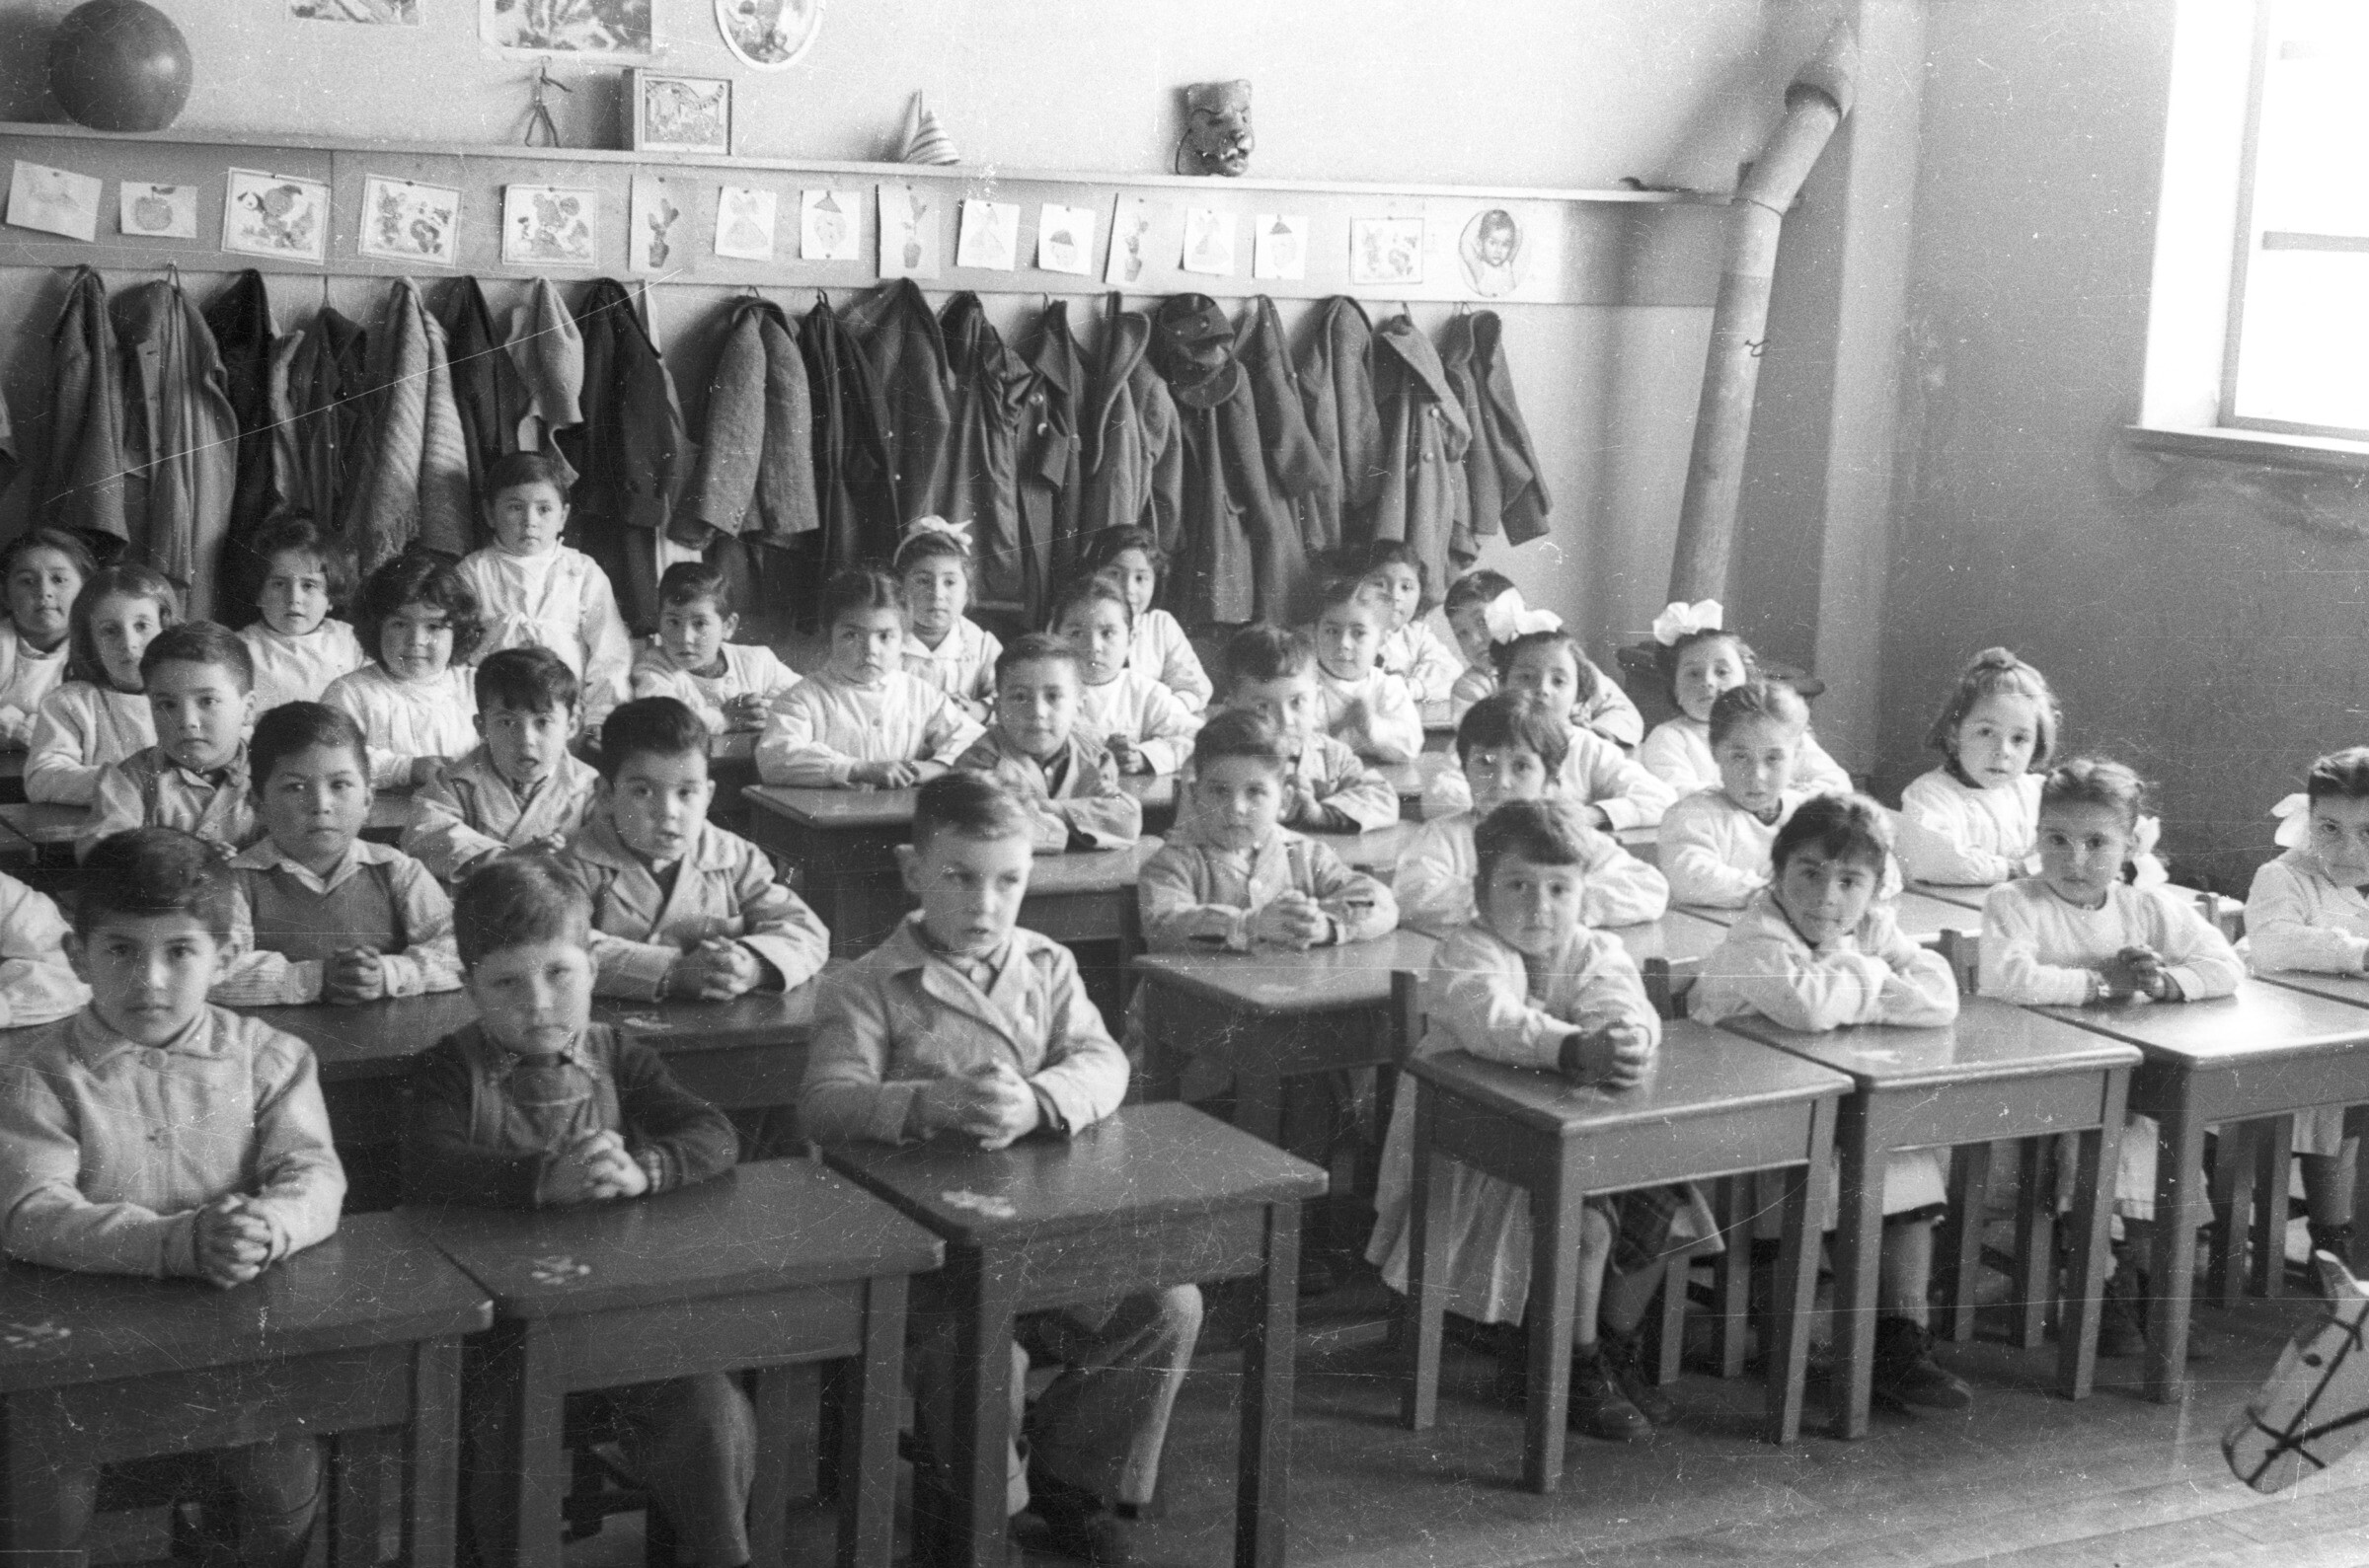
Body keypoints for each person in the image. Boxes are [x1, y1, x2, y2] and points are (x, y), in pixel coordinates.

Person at [800, 773, 1199, 1564]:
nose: (986, 904)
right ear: (915, 872)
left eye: (1008, 881)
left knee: (1169, 1303)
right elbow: (824, 1105)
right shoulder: (867, 986)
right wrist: (929, 1103)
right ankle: (979, 1515)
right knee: (982, 1350)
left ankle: (1069, 1477)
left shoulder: (1048, 965)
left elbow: (1102, 1060)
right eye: (960, 878)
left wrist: (1041, 1101)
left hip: (1041, 1236)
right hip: (932, 1261)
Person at [0, 828, 344, 1568]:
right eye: (121, 950)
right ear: (76, 956)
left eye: (180, 951)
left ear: (223, 955)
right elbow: (28, 1213)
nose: (150, 979)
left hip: (233, 1342)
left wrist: (267, 1224)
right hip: (79, 1361)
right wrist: (177, 1242)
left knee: (284, 1476)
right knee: (40, 1498)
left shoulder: (273, 1058)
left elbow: (316, 1177)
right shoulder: (40, 1074)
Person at [403, 857, 753, 1568]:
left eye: (559, 973)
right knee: (503, 1432)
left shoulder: (619, 1054)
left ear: (593, 965)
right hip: (499, 1339)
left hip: (621, 1317)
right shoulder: (447, 1068)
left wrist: (646, 1167)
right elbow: (427, 1163)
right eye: (506, 981)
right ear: (470, 986)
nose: (538, 1002)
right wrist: (543, 1180)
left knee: (708, 1407)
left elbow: (713, 1132)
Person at [1366, 800, 1717, 1441]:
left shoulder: (1593, 948)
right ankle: (1570, 1364)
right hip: (1474, 1162)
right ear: (1480, 892)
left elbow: (1621, 1000)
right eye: (1518, 886)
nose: (1539, 906)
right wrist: (1571, 1048)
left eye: (1560, 888)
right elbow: (1491, 1019)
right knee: (1583, 1226)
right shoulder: (1466, 950)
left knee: (1669, 1205)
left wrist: (1626, 1035)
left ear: (1585, 894)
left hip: (1573, 1135)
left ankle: (1609, 1346)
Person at [1692, 793, 1973, 1410]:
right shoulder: (1756, 939)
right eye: (1809, 873)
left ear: (1874, 890)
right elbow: (1811, 1008)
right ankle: (1793, 1333)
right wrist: (1873, 977)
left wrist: (1854, 973)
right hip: (1745, 1129)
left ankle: (1902, 1337)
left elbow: (1940, 999)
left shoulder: (1869, 927)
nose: (1827, 896)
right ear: (1778, 870)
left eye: (1850, 881)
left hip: (1831, 1111)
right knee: (1815, 1171)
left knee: (1905, 1160)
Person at [1979, 758, 2244, 1356]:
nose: (2075, 859)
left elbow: (2226, 965)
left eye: (2097, 842)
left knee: (2153, 1140)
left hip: (2127, 1090)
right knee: (2097, 1136)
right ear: (2037, 835)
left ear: (2130, 844)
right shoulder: (2015, 901)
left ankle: (2147, 1284)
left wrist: (2163, 981)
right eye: (2058, 839)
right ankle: (2097, 1283)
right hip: (2042, 1088)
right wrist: (2103, 982)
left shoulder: (2145, 908)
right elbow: (2008, 978)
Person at [567, 696, 829, 1001]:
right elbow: (562, 948)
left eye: (686, 792)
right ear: (606, 795)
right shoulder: (573, 865)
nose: (668, 811)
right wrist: (672, 972)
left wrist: (753, 965)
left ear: (708, 795)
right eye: (643, 791)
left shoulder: (737, 859)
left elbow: (806, 931)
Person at [209, 703, 462, 1007]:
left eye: (340, 784)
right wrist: (315, 979)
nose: (321, 804)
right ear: (258, 803)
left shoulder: (397, 871)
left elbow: (460, 948)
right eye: (295, 787)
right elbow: (212, 972)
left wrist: (389, 973)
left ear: (367, 799)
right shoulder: (234, 881)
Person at [1396, 692, 1667, 935]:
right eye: (1485, 763)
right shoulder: (1443, 836)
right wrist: (1511, 901)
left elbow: (1649, 888)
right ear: (1465, 769)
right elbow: (1413, 895)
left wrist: (1561, 902)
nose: (1501, 780)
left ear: (1549, 777)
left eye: (1521, 766)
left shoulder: (1570, 835)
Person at [2245, 747, 2369, 1266]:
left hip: (2354, 1039)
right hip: (2287, 1040)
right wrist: (2357, 952)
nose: (2348, 849)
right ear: (2309, 822)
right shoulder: (2285, 876)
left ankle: (2339, 1237)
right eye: (2330, 829)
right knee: (2333, 1108)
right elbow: (2272, 945)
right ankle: (2330, 1235)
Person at [1424, 626, 1674, 830]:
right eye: (1526, 677)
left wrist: (1591, 815)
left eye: (1558, 681)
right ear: (1502, 684)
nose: (1542, 689)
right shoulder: (1482, 740)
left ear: (1579, 694)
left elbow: (1660, 799)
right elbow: (1441, 795)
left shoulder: (1589, 748)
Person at [755, 566, 983, 788]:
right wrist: (857, 769)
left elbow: (973, 738)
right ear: (828, 636)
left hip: (897, 818)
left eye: (885, 636)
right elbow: (776, 757)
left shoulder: (919, 694)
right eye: (851, 635)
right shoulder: (803, 697)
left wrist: (938, 766)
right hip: (830, 821)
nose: (870, 650)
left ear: (903, 640)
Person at [454, 449, 633, 727]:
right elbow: (458, 656)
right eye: (515, 507)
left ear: (563, 517)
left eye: (544, 509)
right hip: (499, 715)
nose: (530, 520)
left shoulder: (581, 571)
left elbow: (610, 650)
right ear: (490, 513)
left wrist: (600, 717)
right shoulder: (474, 572)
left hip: (567, 715)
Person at [1658, 679, 1873, 908]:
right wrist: (1783, 893)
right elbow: (1693, 879)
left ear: (1797, 754)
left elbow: (1877, 869)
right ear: (1715, 752)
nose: (1757, 775)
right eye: (1740, 757)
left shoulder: (1810, 814)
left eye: (1773, 758)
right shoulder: (1692, 816)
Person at [403, 646, 602, 885]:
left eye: (542, 722)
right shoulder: (457, 783)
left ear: (571, 725)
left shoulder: (590, 787)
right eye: (507, 722)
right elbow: (424, 833)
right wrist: (505, 859)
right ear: (482, 728)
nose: (525, 739)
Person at [78, 622, 263, 859]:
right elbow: (99, 856)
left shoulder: (271, 775)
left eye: (208, 701)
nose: (187, 721)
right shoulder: (129, 780)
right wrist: (183, 860)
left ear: (247, 709)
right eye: (167, 705)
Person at [1635, 600, 1852, 796]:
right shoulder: (1670, 738)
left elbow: (1835, 781)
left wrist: (1788, 799)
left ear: (1747, 678)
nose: (1708, 682)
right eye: (1693, 674)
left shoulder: (1778, 726)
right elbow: (1678, 792)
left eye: (1721, 672)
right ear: (1674, 689)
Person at [952, 634, 1143, 852]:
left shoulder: (1095, 758)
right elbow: (987, 831)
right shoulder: (979, 763)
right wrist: (1081, 818)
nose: (1037, 712)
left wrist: (1052, 809)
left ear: (1079, 705)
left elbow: (1126, 817)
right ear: (998, 707)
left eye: (1053, 696)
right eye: (1020, 697)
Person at [1201, 623, 1398, 834]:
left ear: (1317, 699)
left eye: (1296, 702)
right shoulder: (1215, 759)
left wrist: (1321, 814)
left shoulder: (1333, 757)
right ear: (1232, 707)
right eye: (1263, 707)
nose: (1285, 720)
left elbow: (1383, 798)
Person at [324, 551, 484, 791]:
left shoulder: (476, 686)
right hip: (378, 823)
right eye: (399, 624)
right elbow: (332, 757)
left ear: (458, 631)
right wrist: (406, 768)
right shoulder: (351, 692)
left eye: (433, 626)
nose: (416, 640)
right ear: (376, 627)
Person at [24, 561, 176, 805]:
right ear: (90, 641)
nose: (129, 643)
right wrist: (128, 782)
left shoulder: (188, 697)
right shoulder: (71, 702)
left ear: (165, 628)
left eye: (142, 626)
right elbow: (42, 778)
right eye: (110, 631)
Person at [1051, 573, 1200, 777]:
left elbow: (1197, 737)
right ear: (1055, 636)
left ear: (1130, 640)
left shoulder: (1145, 694)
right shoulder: (1044, 691)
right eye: (1076, 633)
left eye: (1107, 633)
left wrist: (1145, 756)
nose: (1093, 647)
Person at [629, 560, 802, 733]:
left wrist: (764, 709)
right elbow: (664, 722)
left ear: (728, 626)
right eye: (673, 622)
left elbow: (804, 700)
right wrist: (724, 719)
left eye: (700, 623)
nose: (685, 638)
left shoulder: (757, 662)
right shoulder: (653, 668)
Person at [235, 514, 367, 713]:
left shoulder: (349, 640)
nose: (294, 598)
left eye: (308, 585)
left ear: (330, 597)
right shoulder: (241, 648)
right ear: (259, 594)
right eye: (279, 584)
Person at [1082, 525, 1212, 713]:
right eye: (1114, 574)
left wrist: (1168, 712)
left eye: (1140, 578)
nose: (1128, 589)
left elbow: (1194, 687)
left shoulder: (1160, 625)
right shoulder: (1075, 619)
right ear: (1093, 574)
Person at [895, 517, 1003, 721]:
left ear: (966, 594)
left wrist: (979, 709)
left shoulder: (980, 645)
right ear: (901, 590)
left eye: (950, 582)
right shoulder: (887, 638)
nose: (937, 593)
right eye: (923, 581)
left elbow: (1006, 693)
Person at [1307, 575, 1423, 763]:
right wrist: (1338, 727)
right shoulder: (1306, 684)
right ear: (1315, 633)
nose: (1343, 643)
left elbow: (1410, 746)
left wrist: (1370, 727)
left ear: (1382, 640)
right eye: (1331, 631)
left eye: (1358, 633)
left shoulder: (1387, 687)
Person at [0, 526, 92, 748]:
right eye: (27, 581)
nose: (44, 591)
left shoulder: (94, 651)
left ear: (87, 591)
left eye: (59, 580)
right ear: (5, 596)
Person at [1356, 538, 1463, 706]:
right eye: (1379, 584)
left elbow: (1451, 673)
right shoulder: (1349, 630)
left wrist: (1411, 688)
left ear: (1420, 593)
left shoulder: (1417, 635)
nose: (1394, 596)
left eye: (1406, 587)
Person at [1441, 569, 1517, 720]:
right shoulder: (1468, 689)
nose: (1474, 640)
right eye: (1462, 633)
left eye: (1483, 622)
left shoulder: (1543, 667)